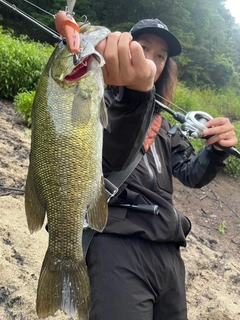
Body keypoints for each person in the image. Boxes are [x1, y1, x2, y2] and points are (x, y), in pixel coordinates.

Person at [84, 18, 238, 320]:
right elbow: (111, 152)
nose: (153, 62)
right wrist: (135, 97)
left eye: (161, 56)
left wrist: (216, 151)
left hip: (168, 249)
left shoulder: (164, 124)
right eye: (144, 49)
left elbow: (190, 174)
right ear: (126, 51)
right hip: (115, 240)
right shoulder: (99, 102)